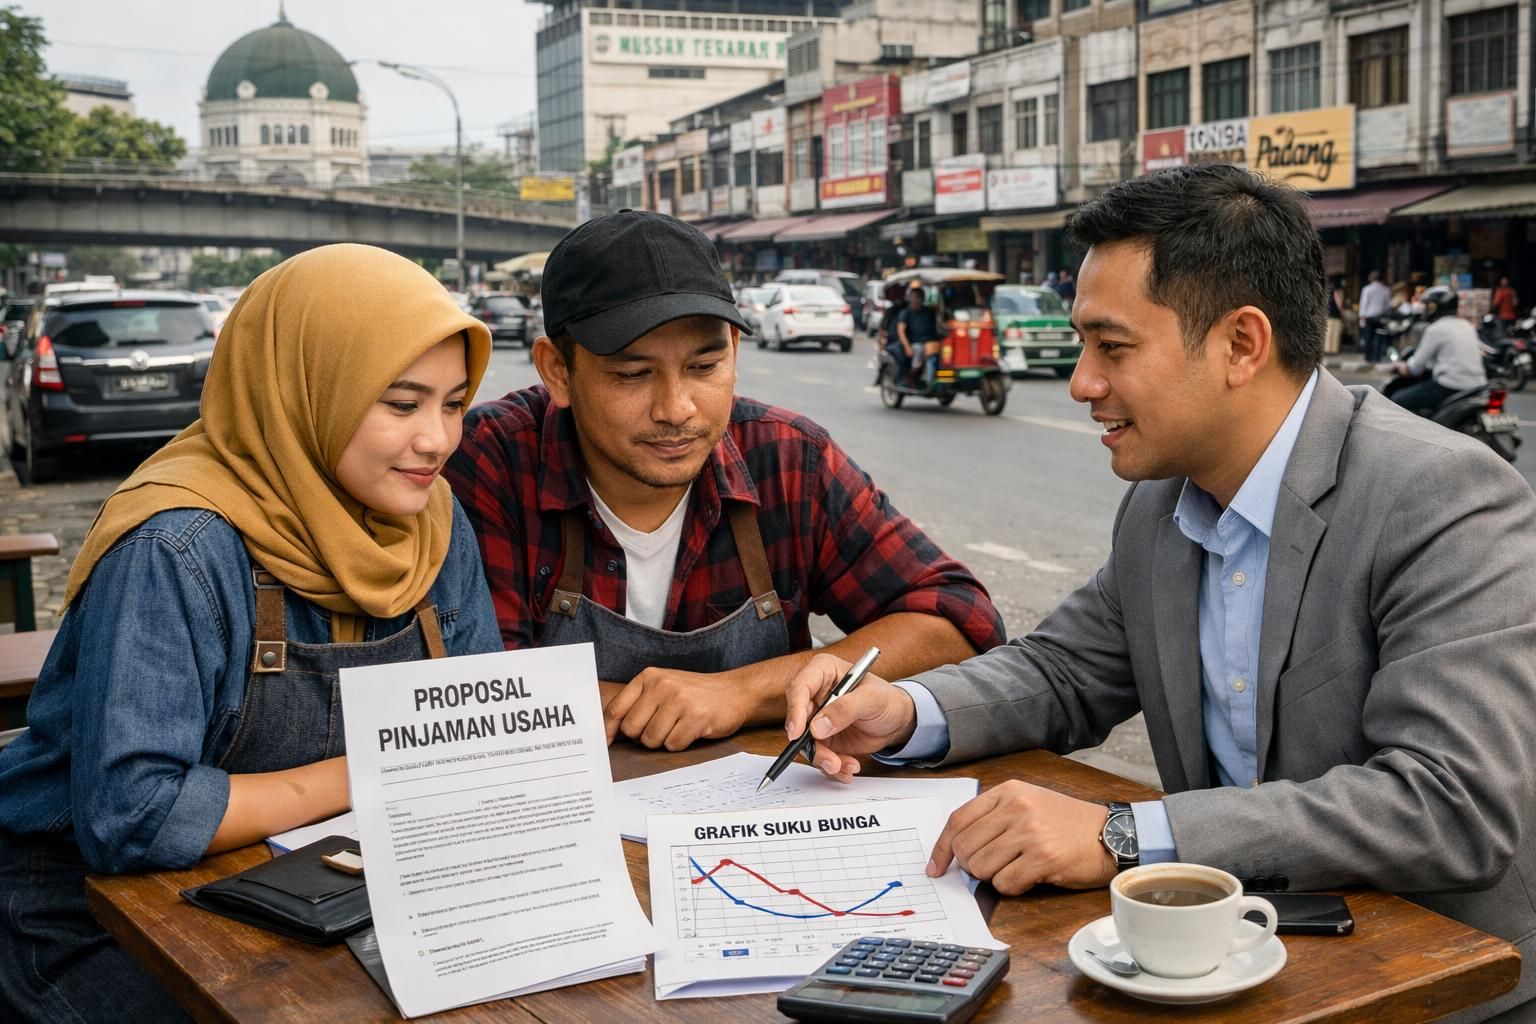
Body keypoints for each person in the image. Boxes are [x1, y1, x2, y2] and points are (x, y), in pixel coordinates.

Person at [784, 165, 1536, 1022]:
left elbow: (1452, 804)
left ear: (1241, 346)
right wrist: (904, 710)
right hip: (1217, 958)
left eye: (1114, 347)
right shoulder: (1161, 503)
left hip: (1435, 977)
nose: (1081, 384)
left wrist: (1118, 835)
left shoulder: (1440, 496)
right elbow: (1066, 669)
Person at [0, 245, 503, 1021]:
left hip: (312, 891)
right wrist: (379, 768)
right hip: (90, 911)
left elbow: (476, 737)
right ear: (301, 390)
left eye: (453, 403)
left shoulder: (431, 520)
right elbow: (133, 816)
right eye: (401, 405)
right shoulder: (175, 546)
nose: (436, 440)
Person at [444, 211, 1004, 754]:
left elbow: (960, 620)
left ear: (734, 352)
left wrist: (743, 691)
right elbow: (469, 693)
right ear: (557, 371)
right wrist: (642, 705)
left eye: (705, 367)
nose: (677, 408)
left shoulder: (789, 460)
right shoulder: (490, 462)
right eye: (633, 374)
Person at [1388, 286, 1487, 416]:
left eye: (1430, 306)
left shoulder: (1436, 329)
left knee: (1397, 400)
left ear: (1437, 307)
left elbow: (1415, 368)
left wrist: (1399, 366)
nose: (1427, 309)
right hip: (1478, 386)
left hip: (1451, 386)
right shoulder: (1467, 325)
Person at [895, 281, 943, 387]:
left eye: (920, 297)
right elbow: (901, 331)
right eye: (916, 297)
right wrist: (907, 347)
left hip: (931, 342)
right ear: (910, 298)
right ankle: (913, 376)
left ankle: (942, 379)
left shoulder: (929, 311)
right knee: (920, 349)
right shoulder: (905, 313)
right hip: (915, 343)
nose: (918, 300)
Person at [1357, 270, 1392, 362]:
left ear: (1372, 278)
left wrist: (1362, 316)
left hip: (1369, 317)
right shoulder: (1386, 289)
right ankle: (1377, 356)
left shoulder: (1367, 289)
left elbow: (1364, 303)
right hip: (1380, 317)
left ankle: (1367, 356)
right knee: (1379, 337)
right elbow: (1387, 306)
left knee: (1368, 337)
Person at [1324, 276, 1345, 355]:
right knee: (1335, 332)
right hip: (1335, 314)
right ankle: (1333, 350)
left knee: (1328, 332)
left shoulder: (1325, 291)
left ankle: (1327, 349)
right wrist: (1342, 312)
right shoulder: (1335, 291)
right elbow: (1339, 303)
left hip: (1327, 314)